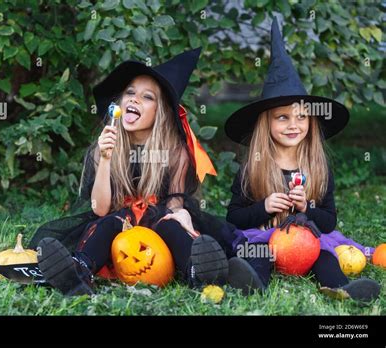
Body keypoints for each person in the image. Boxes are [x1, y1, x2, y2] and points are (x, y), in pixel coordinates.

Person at [29, 48, 239, 296]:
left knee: (171, 226)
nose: (135, 99)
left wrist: (181, 217)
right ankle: (78, 272)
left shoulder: (175, 152)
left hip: (160, 224)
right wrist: (105, 159)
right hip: (120, 223)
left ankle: (199, 274)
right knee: (107, 224)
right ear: (118, 104)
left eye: (147, 97)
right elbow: (100, 208)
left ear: (160, 112)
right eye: (130, 93)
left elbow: (174, 203)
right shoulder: (107, 146)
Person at [223, 18, 380, 302]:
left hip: (307, 240)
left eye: (301, 116)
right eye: (282, 117)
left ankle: (342, 289)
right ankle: (253, 282)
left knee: (325, 255)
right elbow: (234, 217)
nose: (293, 124)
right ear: (265, 124)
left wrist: (307, 207)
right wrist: (264, 207)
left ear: (311, 120)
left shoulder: (318, 168)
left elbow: (329, 222)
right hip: (266, 237)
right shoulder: (253, 168)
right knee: (259, 253)